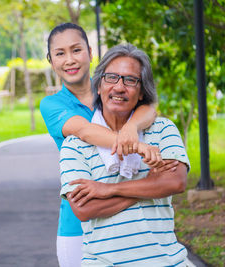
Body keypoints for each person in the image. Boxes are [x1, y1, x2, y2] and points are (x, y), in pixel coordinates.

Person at [40, 23, 173, 267]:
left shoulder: (113, 86)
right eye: (60, 53)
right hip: (81, 219)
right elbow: (85, 130)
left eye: (76, 50)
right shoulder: (52, 104)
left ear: (90, 52)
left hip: (134, 224)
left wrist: (131, 126)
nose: (70, 60)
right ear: (51, 61)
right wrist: (137, 150)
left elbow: (150, 107)